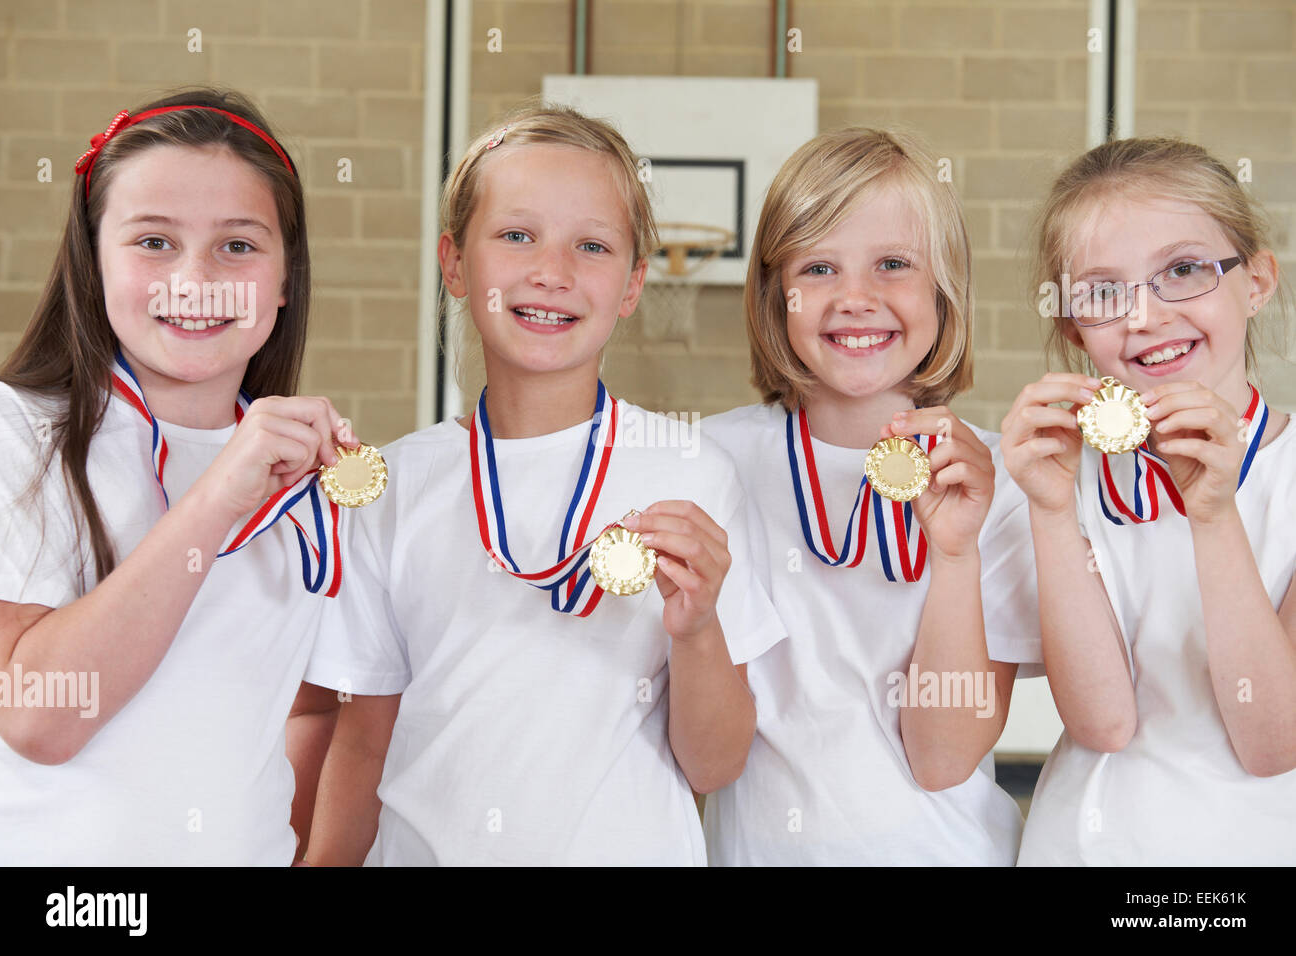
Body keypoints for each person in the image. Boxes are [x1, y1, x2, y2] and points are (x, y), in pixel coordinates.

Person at [302, 106, 785, 866]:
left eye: (591, 245)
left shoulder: (691, 475)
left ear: (633, 284)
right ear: (455, 263)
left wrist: (696, 633)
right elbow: (362, 741)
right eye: (517, 235)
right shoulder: (390, 487)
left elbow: (715, 765)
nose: (551, 271)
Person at [0, 89, 355, 865]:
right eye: (154, 242)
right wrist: (221, 491)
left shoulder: (312, 474)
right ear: (93, 263)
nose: (197, 281)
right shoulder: (17, 432)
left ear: (286, 278)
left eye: (238, 246)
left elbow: (312, 711)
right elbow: (39, 719)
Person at [701, 128, 1041, 866]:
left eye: (893, 264)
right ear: (774, 295)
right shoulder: (711, 464)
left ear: (945, 286)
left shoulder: (998, 482)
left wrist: (955, 556)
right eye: (819, 267)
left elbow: (943, 758)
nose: (856, 298)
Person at [1005, 137, 1294, 865]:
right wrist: (1047, 510)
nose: (1145, 315)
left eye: (1184, 270)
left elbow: (1272, 740)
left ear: (1257, 280)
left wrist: (1215, 515)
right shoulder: (1059, 476)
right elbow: (1103, 723)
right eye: (1104, 292)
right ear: (1075, 327)